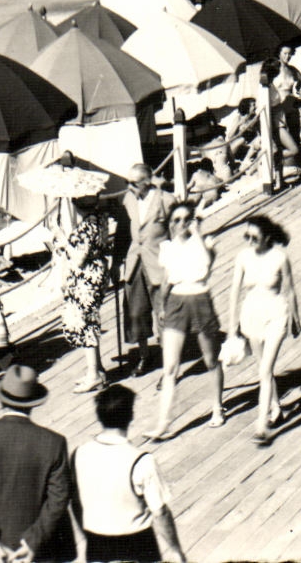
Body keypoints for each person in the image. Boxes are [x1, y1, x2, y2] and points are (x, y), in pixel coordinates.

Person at [0, 365, 73, 563]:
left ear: (1, 400)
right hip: (38, 552)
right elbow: (59, 498)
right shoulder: (53, 442)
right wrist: (32, 542)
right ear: (33, 403)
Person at [72, 385, 187, 563]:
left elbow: (75, 502)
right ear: (130, 416)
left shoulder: (79, 454)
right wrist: (175, 550)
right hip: (137, 544)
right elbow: (160, 512)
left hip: (97, 544)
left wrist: (88, 531)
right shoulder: (141, 460)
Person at [148, 203, 225, 440]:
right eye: (177, 220)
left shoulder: (203, 243)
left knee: (211, 359)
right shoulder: (166, 248)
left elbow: (205, 267)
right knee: (170, 367)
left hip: (200, 299)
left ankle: (217, 407)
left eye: (186, 219)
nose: (181, 224)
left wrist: (198, 234)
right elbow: (166, 281)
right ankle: (164, 422)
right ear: (171, 223)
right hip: (176, 303)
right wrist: (161, 308)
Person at [226, 215, 301, 446]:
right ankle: (276, 408)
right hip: (251, 315)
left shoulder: (280, 257)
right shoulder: (243, 257)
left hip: (276, 314)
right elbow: (234, 292)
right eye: (246, 236)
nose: (249, 241)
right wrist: (231, 327)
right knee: (263, 369)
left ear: (267, 237)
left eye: (254, 237)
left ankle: (262, 424)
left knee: (265, 369)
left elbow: (289, 290)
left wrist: (295, 317)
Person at [48, 195, 110, 394]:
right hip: (97, 273)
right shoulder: (100, 219)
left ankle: (93, 374)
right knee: (90, 318)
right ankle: (97, 368)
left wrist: (63, 239)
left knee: (86, 323)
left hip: (86, 279)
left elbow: (79, 258)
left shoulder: (87, 227)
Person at [120, 166, 171, 373]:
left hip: (159, 264)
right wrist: (116, 262)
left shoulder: (166, 200)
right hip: (135, 262)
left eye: (134, 183)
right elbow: (123, 231)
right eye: (128, 182)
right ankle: (144, 355)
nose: (130, 187)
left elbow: (177, 234)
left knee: (163, 314)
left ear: (147, 181)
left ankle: (169, 364)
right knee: (136, 313)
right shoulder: (128, 200)